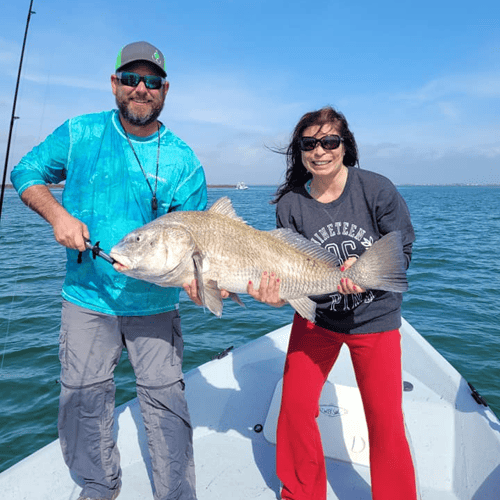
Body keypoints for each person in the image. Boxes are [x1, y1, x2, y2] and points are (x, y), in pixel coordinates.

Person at [11, 41, 206, 500]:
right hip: (86, 297)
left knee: (165, 405)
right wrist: (57, 215)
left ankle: (176, 494)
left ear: (165, 90)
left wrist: (203, 285)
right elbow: (26, 171)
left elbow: (199, 245)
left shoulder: (183, 160)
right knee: (82, 400)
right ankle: (98, 488)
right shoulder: (81, 133)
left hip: (156, 304)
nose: (142, 88)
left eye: (152, 81)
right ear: (114, 83)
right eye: (132, 79)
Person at [247, 107, 418, 500]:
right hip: (317, 320)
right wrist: (274, 295)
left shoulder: (376, 189)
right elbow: (285, 269)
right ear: (300, 151)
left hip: (375, 320)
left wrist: (364, 267)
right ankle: (302, 493)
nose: (320, 151)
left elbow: (402, 246)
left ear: (345, 146)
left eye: (329, 142)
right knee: (293, 409)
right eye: (310, 144)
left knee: (385, 420)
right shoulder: (290, 205)